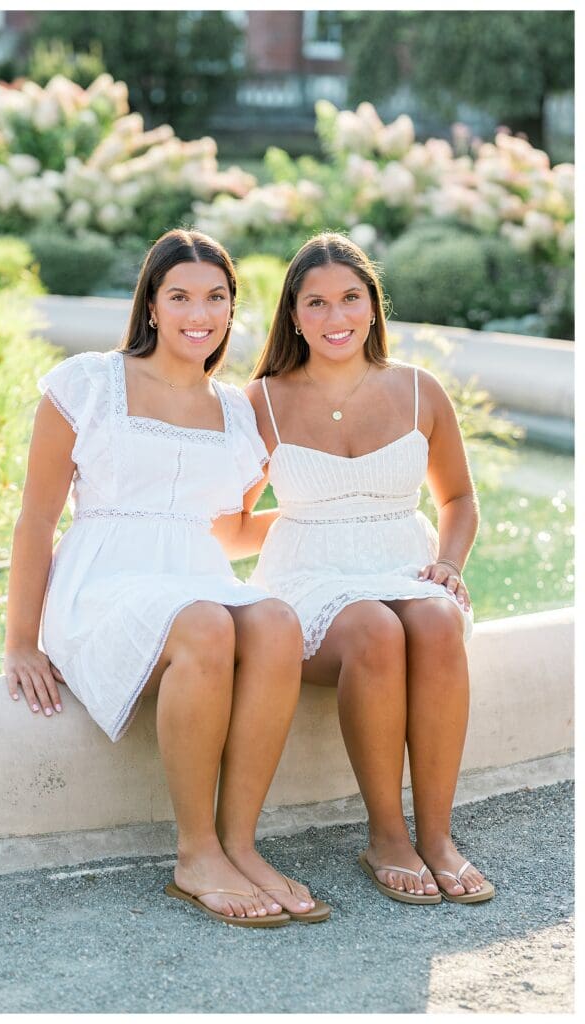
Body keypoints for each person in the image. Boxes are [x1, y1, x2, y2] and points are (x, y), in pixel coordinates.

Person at [3, 229, 330, 926]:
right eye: (179, 296)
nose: (198, 314)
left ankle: (240, 843)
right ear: (152, 303)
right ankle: (194, 852)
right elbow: (36, 521)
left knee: (275, 620)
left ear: (231, 309)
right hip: (101, 586)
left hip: (192, 575)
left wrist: (325, 518)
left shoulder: (236, 412)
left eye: (215, 297)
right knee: (208, 622)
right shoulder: (88, 383)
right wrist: (19, 642)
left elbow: (231, 534)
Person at [247, 232, 494, 905]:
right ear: (293, 315)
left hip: (402, 562)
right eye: (317, 303)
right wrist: (310, 526)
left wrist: (447, 562)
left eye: (351, 298)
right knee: (373, 631)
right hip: (308, 579)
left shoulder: (420, 391)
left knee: (439, 621)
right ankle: (387, 835)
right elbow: (224, 523)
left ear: (373, 305)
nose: (336, 319)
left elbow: (461, 499)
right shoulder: (260, 401)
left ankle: (437, 837)